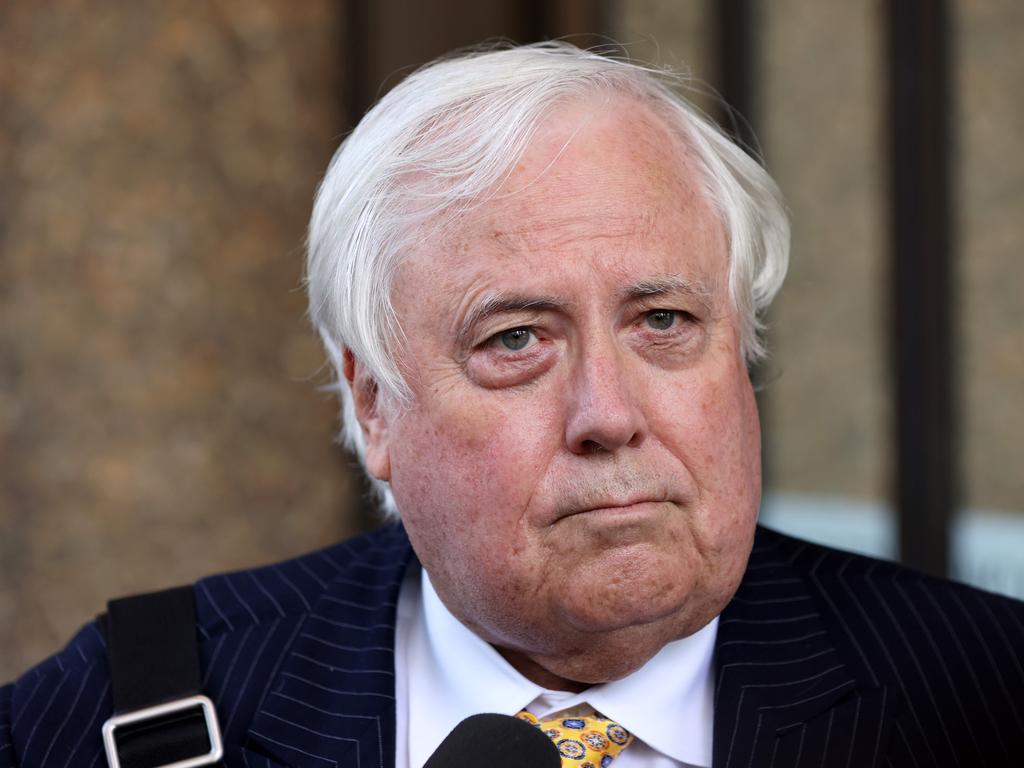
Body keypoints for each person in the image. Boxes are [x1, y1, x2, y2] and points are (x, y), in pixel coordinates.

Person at [2, 42, 1022, 768]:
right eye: (516, 340)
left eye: (663, 321)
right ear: (373, 407)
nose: (608, 413)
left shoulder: (983, 694)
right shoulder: (130, 709)